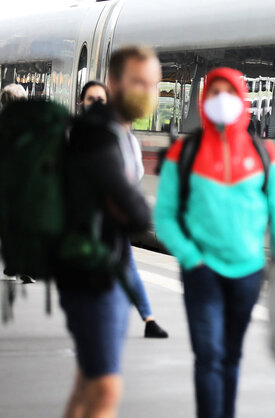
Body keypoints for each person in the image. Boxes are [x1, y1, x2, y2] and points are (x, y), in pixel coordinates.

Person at [154, 67, 275, 418]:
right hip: (202, 272)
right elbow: (165, 216)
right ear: (203, 100)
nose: (221, 100)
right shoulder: (184, 152)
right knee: (208, 356)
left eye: (228, 92)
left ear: (242, 99)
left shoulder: (266, 154)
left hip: (248, 274)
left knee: (230, 357)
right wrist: (190, 257)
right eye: (213, 93)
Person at [57, 46, 159, 418]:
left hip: (107, 268)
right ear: (114, 83)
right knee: (106, 388)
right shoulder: (96, 134)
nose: (147, 92)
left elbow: (129, 206)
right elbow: (135, 213)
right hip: (90, 275)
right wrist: (125, 205)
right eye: (138, 82)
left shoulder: (120, 136)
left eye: (153, 84)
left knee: (88, 383)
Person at [78, 79, 169, 339]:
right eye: (91, 100)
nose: (96, 104)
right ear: (82, 104)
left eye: (101, 100)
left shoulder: (122, 136)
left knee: (126, 264)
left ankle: (148, 318)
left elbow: (136, 171)